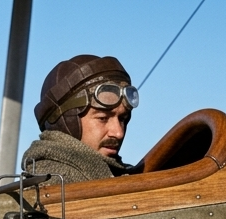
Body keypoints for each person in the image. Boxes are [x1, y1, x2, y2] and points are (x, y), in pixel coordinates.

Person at [21, 55, 139, 183]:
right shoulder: (57, 183)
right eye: (103, 118)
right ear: (67, 123)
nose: (118, 133)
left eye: (122, 119)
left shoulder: (114, 174)